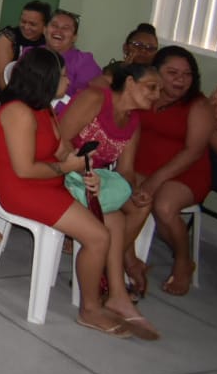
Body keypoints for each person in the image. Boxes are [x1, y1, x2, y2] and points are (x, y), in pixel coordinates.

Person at [0, 49, 148, 338]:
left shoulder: (45, 109)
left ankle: (113, 295)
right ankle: (90, 309)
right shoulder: (18, 112)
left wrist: (86, 169)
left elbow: (62, 149)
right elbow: (24, 170)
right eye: (62, 76)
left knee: (112, 220)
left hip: (48, 184)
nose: (68, 81)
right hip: (21, 190)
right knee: (98, 237)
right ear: (46, 79)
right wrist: (66, 167)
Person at [57, 62, 160, 303]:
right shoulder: (95, 98)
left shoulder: (133, 121)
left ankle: (102, 267)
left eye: (159, 90)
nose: (157, 95)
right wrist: (82, 167)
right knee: (114, 216)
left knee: (141, 205)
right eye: (152, 87)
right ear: (130, 83)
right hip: (64, 171)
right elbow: (59, 139)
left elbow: (125, 170)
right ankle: (111, 272)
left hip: (93, 179)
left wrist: (134, 192)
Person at [134, 46, 213, 295]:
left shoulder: (198, 105)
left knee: (164, 207)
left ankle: (183, 260)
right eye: (173, 73)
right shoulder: (145, 93)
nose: (181, 79)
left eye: (187, 74)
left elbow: (193, 152)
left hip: (185, 172)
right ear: (156, 72)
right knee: (120, 195)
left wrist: (154, 181)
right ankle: (127, 261)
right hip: (142, 165)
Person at [0, 0, 51, 94]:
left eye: (32, 24)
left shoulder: (47, 43)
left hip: (36, 95)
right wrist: (16, 99)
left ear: (45, 26)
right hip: (5, 94)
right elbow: (2, 78)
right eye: (23, 21)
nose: (26, 27)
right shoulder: (8, 37)